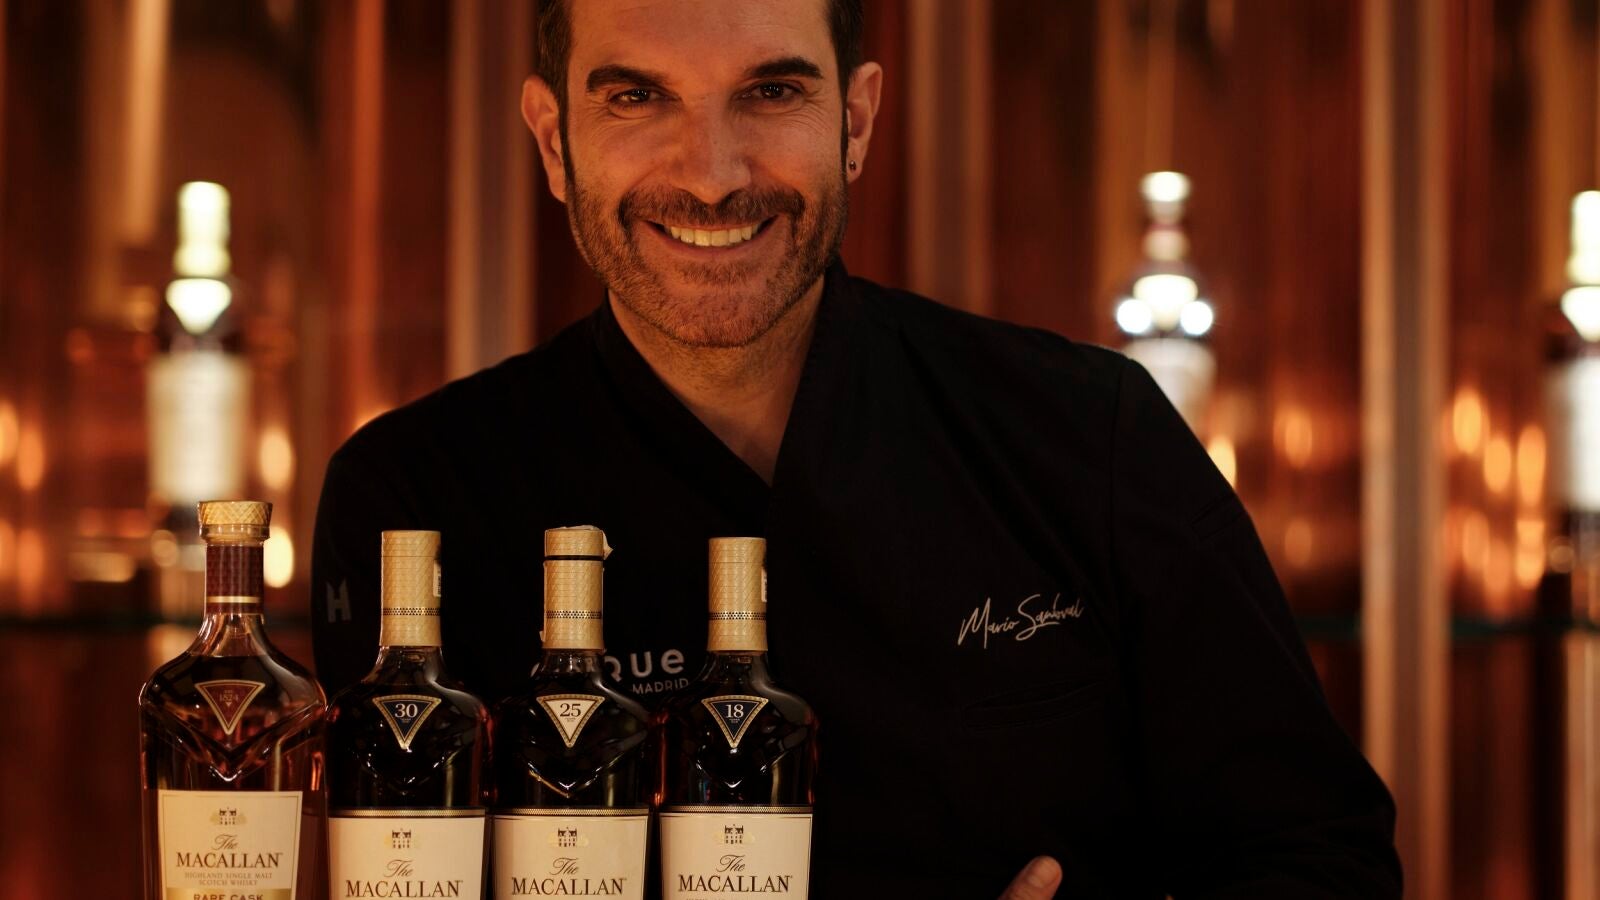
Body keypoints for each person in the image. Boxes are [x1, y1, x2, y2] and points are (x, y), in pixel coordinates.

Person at [310, 1, 1402, 896]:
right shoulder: (416, 497)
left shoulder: (1089, 435)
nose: (711, 175)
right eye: (637, 97)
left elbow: (1322, 859)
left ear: (858, 119)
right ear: (554, 141)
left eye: (771, 92)